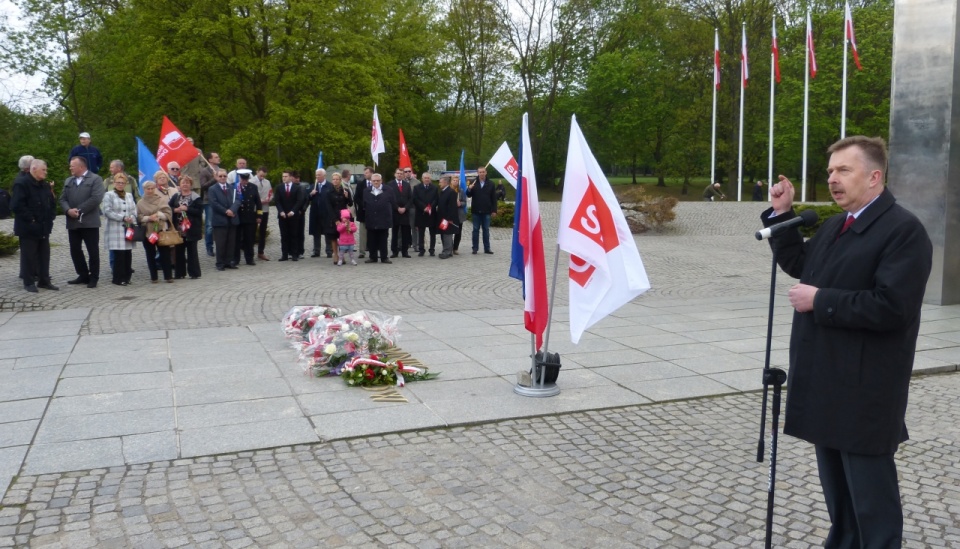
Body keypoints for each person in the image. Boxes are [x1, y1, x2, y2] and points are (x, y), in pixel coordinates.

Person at [762, 136, 932, 547]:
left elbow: (893, 306)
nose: (832, 180)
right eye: (830, 172)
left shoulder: (903, 231)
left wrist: (821, 300)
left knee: (871, 501)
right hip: (825, 380)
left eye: (844, 171)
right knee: (839, 496)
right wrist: (781, 215)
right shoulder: (840, 224)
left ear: (874, 177)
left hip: (864, 389)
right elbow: (804, 264)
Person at [11, 159, 58, 292]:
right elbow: (17, 205)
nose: (46, 172)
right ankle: (29, 282)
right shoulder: (22, 183)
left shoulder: (44, 185)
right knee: (29, 256)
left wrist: (51, 216)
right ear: (34, 169)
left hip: (44, 226)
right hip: (28, 228)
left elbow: (51, 201)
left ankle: (44, 280)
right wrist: (31, 220)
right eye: (43, 170)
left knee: (44, 255)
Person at [60, 156, 105, 288]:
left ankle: (94, 277)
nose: (70, 168)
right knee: (75, 249)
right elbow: (62, 199)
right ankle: (83, 274)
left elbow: (96, 198)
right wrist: (68, 210)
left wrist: (79, 210)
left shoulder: (95, 179)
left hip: (89, 222)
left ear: (81, 167)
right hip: (73, 222)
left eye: (72, 166)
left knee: (92, 250)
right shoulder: (69, 181)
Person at [101, 172, 138, 286]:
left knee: (128, 254)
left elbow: (134, 210)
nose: (120, 184)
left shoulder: (129, 195)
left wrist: (131, 217)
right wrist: (122, 218)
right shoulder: (109, 195)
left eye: (122, 183)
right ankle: (118, 278)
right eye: (118, 182)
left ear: (126, 184)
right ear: (114, 183)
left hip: (128, 228)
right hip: (115, 228)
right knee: (118, 255)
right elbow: (106, 211)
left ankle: (127, 277)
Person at [136, 181, 175, 283]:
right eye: (147, 189)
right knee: (150, 254)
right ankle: (154, 277)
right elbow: (138, 217)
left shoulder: (161, 200)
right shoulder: (140, 203)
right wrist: (149, 218)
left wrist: (159, 215)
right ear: (144, 190)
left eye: (152, 188)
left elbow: (168, 213)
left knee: (165, 253)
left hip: (161, 229)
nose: (150, 190)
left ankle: (168, 276)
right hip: (147, 231)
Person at [169, 175, 203, 279]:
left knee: (192, 251)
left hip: (191, 228)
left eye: (187, 183)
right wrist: (175, 210)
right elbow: (169, 207)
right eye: (183, 182)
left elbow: (199, 212)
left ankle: (194, 273)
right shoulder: (176, 196)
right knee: (179, 251)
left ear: (191, 185)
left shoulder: (196, 197)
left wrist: (187, 209)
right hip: (179, 228)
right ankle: (179, 273)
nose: (185, 185)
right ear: (179, 184)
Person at [209, 169, 240, 271]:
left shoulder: (232, 187)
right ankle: (220, 263)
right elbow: (214, 203)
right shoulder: (212, 189)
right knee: (221, 243)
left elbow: (238, 200)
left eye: (224, 176)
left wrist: (232, 210)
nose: (222, 178)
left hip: (232, 219)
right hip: (220, 219)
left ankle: (229, 261)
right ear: (217, 177)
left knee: (231, 242)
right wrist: (226, 211)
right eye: (220, 176)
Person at [363, 173, 395, 264]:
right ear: (371, 181)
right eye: (374, 181)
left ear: (381, 181)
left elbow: (392, 202)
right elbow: (364, 203)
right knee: (371, 239)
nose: (376, 182)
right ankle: (373, 257)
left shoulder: (388, 190)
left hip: (383, 218)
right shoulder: (366, 190)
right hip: (371, 218)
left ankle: (384, 257)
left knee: (383, 239)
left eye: (378, 180)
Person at [274, 169, 306, 262]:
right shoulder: (279, 187)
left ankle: (294, 254)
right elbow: (277, 201)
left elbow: (299, 201)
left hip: (293, 216)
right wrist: (281, 211)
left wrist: (293, 211)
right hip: (282, 215)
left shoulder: (297, 188)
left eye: (286, 176)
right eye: (283, 176)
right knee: (284, 235)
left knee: (294, 234)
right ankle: (284, 254)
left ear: (290, 177)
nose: (284, 178)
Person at [232, 171, 261, 266]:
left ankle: (249, 258)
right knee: (236, 239)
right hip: (238, 216)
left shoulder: (253, 187)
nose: (244, 181)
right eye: (243, 179)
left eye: (246, 179)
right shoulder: (234, 187)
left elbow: (258, 203)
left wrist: (259, 216)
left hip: (249, 217)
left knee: (249, 238)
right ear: (239, 178)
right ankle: (235, 259)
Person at [467, 166, 497, 254]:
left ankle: (487, 248)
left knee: (486, 230)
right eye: (480, 172)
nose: (482, 174)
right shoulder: (473, 182)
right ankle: (475, 248)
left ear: (486, 172)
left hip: (487, 211)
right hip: (476, 210)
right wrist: (469, 189)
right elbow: (468, 195)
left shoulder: (491, 183)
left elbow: (494, 198)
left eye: (483, 172)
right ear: (478, 173)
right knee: (475, 230)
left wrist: (494, 210)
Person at [325, 172, 353, 264]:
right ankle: (335, 255)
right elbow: (328, 207)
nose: (335, 181)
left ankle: (342, 255)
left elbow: (350, 204)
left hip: (343, 217)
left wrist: (347, 196)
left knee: (342, 237)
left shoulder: (345, 190)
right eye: (334, 179)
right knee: (333, 237)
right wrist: (335, 220)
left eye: (337, 179)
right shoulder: (328, 192)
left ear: (340, 180)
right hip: (333, 217)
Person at [386, 168, 412, 258]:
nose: (400, 175)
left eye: (401, 173)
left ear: (403, 175)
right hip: (395, 212)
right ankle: (394, 251)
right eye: (398, 173)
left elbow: (410, 198)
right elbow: (389, 199)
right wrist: (397, 208)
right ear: (395, 174)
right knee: (395, 233)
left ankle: (405, 251)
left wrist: (405, 208)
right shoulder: (390, 185)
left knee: (405, 233)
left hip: (405, 212)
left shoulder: (407, 185)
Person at [199, 151, 221, 256]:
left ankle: (221, 246)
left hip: (221, 200)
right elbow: (203, 186)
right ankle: (209, 247)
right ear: (210, 160)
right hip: (209, 201)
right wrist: (214, 179)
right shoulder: (204, 171)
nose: (218, 158)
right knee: (209, 225)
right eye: (216, 157)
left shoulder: (221, 170)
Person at [413, 172, 438, 256]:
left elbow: (436, 199)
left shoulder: (434, 188)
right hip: (421, 212)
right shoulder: (416, 188)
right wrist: (424, 207)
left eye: (428, 178)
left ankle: (432, 249)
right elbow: (415, 199)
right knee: (421, 232)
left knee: (432, 233)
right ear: (422, 179)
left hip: (432, 213)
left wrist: (431, 207)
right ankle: (421, 249)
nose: (427, 179)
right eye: (425, 178)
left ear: (430, 179)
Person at [307, 169, 331, 258]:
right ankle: (316, 250)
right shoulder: (313, 186)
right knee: (316, 233)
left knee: (328, 232)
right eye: (316, 175)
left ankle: (329, 250)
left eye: (319, 175)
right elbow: (307, 198)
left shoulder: (329, 186)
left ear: (324, 176)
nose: (317, 177)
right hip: (315, 213)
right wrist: (310, 194)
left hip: (326, 213)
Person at [251, 166, 272, 260]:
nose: (262, 177)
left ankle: (261, 252)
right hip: (254, 209)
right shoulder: (251, 181)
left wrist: (269, 199)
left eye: (263, 176)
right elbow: (250, 196)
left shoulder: (267, 182)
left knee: (262, 231)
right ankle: (250, 252)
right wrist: (260, 200)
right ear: (257, 172)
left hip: (265, 209)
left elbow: (271, 193)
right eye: (260, 175)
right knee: (252, 231)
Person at [436, 175, 459, 259]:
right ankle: (446, 250)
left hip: (447, 218)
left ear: (446, 182)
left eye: (440, 182)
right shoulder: (442, 191)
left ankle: (447, 251)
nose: (439, 184)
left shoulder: (451, 192)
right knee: (443, 234)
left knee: (447, 234)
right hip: (442, 218)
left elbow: (452, 207)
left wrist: (450, 218)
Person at [353, 166, 374, 258]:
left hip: (375, 212)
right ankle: (362, 251)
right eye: (364, 173)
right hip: (363, 211)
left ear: (372, 173)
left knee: (374, 231)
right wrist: (363, 205)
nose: (365, 174)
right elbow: (356, 197)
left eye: (367, 173)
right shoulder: (360, 184)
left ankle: (373, 249)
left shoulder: (376, 183)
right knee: (363, 232)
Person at [451, 175, 468, 255]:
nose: (455, 182)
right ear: (451, 181)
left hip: (459, 214)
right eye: (454, 180)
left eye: (457, 181)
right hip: (450, 214)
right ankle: (449, 247)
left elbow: (465, 202)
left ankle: (455, 248)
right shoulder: (448, 190)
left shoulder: (461, 191)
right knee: (449, 232)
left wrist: (460, 203)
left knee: (458, 232)